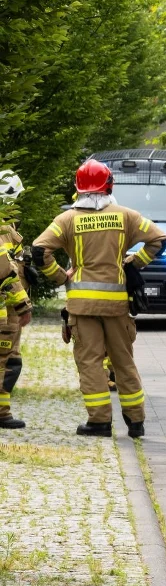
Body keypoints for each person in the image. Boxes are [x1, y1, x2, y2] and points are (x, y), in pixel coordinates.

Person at [32, 159, 166, 438]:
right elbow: (159, 239)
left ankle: (99, 422)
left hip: (82, 306)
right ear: (109, 185)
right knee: (123, 361)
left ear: (78, 188)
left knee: (90, 362)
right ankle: (136, 422)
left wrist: (60, 276)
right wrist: (132, 263)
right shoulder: (125, 216)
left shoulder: (67, 219)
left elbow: (38, 250)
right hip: (117, 304)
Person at [0, 169, 33, 430]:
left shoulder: (9, 230)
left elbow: (16, 266)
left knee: (11, 360)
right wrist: (24, 305)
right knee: (7, 361)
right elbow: (7, 273)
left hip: (9, 310)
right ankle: (2, 413)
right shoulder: (2, 231)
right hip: (6, 309)